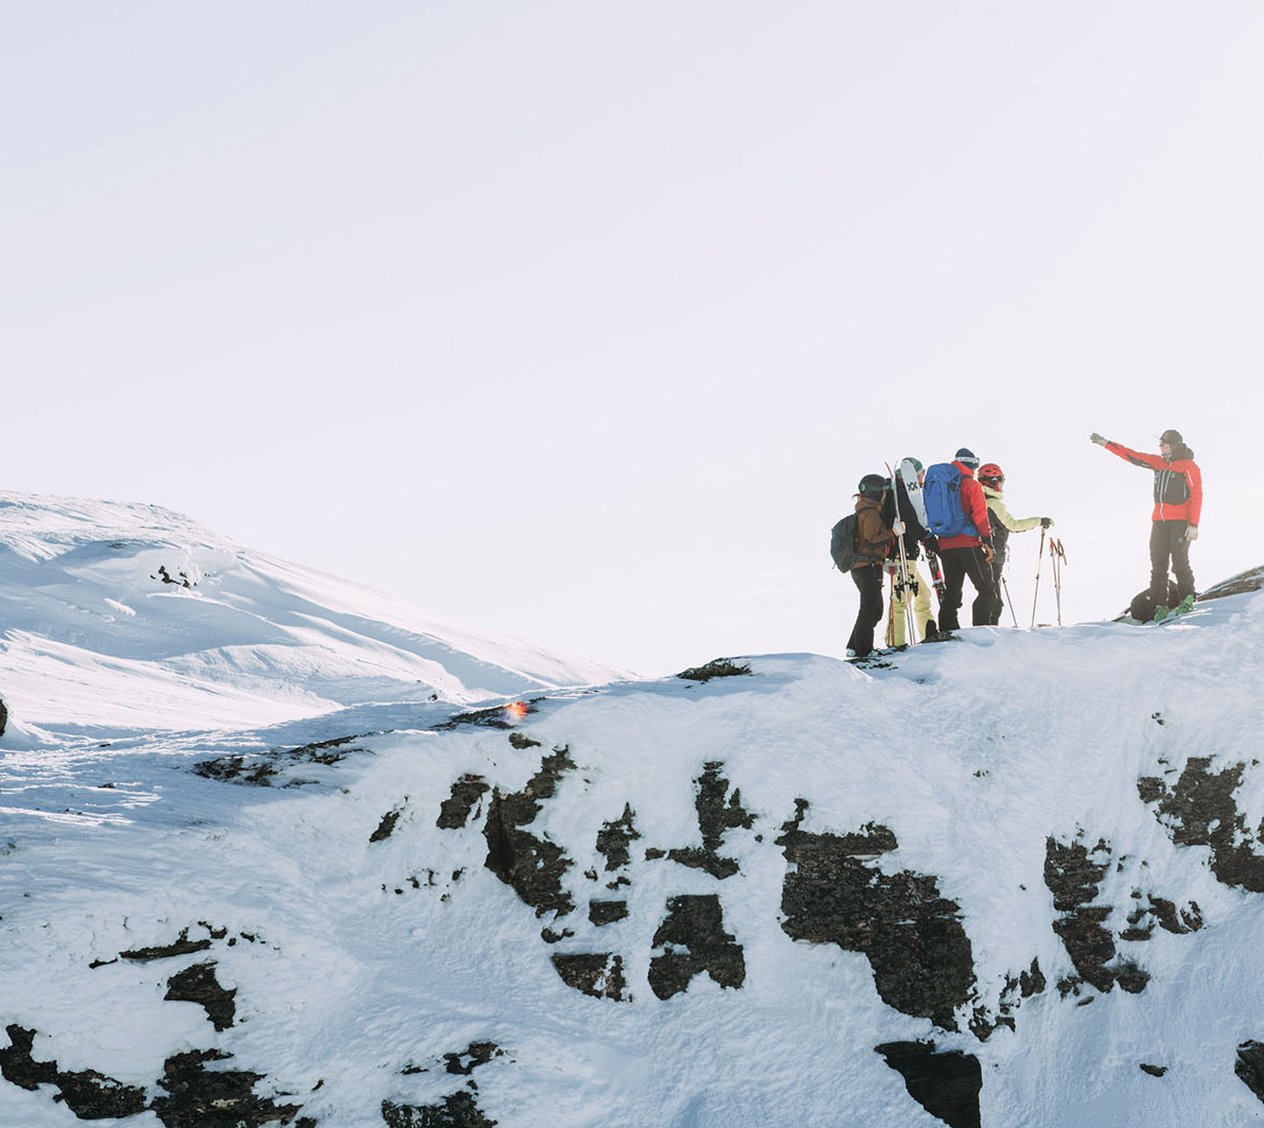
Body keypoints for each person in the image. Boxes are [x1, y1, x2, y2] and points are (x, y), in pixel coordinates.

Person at [1091, 429, 1202, 619]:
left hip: (1180, 522)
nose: (1160, 447)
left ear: (1173, 444)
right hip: (1159, 522)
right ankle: (1160, 605)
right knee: (1158, 564)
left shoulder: (1188, 466)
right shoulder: (1158, 463)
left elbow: (1197, 494)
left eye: (1163, 443)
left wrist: (1193, 524)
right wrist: (1107, 444)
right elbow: (1133, 456)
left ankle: (1187, 599)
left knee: (1179, 561)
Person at [977, 462, 1053, 626]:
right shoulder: (994, 504)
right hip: (994, 556)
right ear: (993, 482)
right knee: (995, 603)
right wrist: (1039, 521)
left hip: (983, 555)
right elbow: (1014, 525)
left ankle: (986, 632)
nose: (1002, 485)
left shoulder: (980, 502)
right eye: (1000, 481)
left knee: (990, 598)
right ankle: (989, 635)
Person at [932, 448, 996, 633]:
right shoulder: (971, 484)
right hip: (968, 544)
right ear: (971, 465)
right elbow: (980, 516)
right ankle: (981, 630)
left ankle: (948, 630)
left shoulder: (941, 484)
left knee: (952, 591)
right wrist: (987, 541)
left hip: (945, 545)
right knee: (986, 589)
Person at [881, 457, 938, 644]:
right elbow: (909, 518)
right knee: (900, 599)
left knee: (922, 595)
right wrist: (926, 537)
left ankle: (925, 636)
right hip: (902, 554)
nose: (922, 480)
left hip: (899, 553)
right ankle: (895, 643)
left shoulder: (892, 491)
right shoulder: (901, 492)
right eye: (921, 475)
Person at [847, 473, 896, 658]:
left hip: (861, 566)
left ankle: (854, 646)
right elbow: (871, 540)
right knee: (870, 608)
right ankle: (864, 650)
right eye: (882, 492)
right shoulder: (871, 513)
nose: (884, 496)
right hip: (869, 566)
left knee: (874, 609)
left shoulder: (862, 510)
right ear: (876, 493)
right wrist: (893, 532)